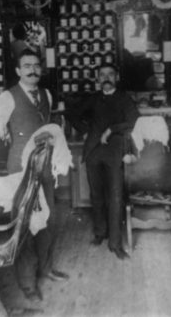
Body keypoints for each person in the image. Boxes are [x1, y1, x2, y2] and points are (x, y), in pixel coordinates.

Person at [0, 48, 68, 302]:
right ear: (17, 71)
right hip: (19, 170)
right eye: (27, 66)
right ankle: (27, 283)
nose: (33, 70)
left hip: (44, 167)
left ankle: (45, 268)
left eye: (36, 65)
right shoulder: (6, 98)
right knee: (24, 224)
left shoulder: (46, 94)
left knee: (49, 218)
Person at [66, 63, 139, 259]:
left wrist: (112, 129)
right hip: (93, 151)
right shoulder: (93, 99)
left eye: (110, 74)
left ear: (116, 77)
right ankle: (100, 232)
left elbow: (134, 121)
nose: (106, 78)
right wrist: (85, 130)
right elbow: (71, 113)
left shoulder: (124, 99)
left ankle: (115, 243)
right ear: (97, 79)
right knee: (96, 195)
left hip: (115, 151)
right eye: (102, 75)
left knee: (115, 197)